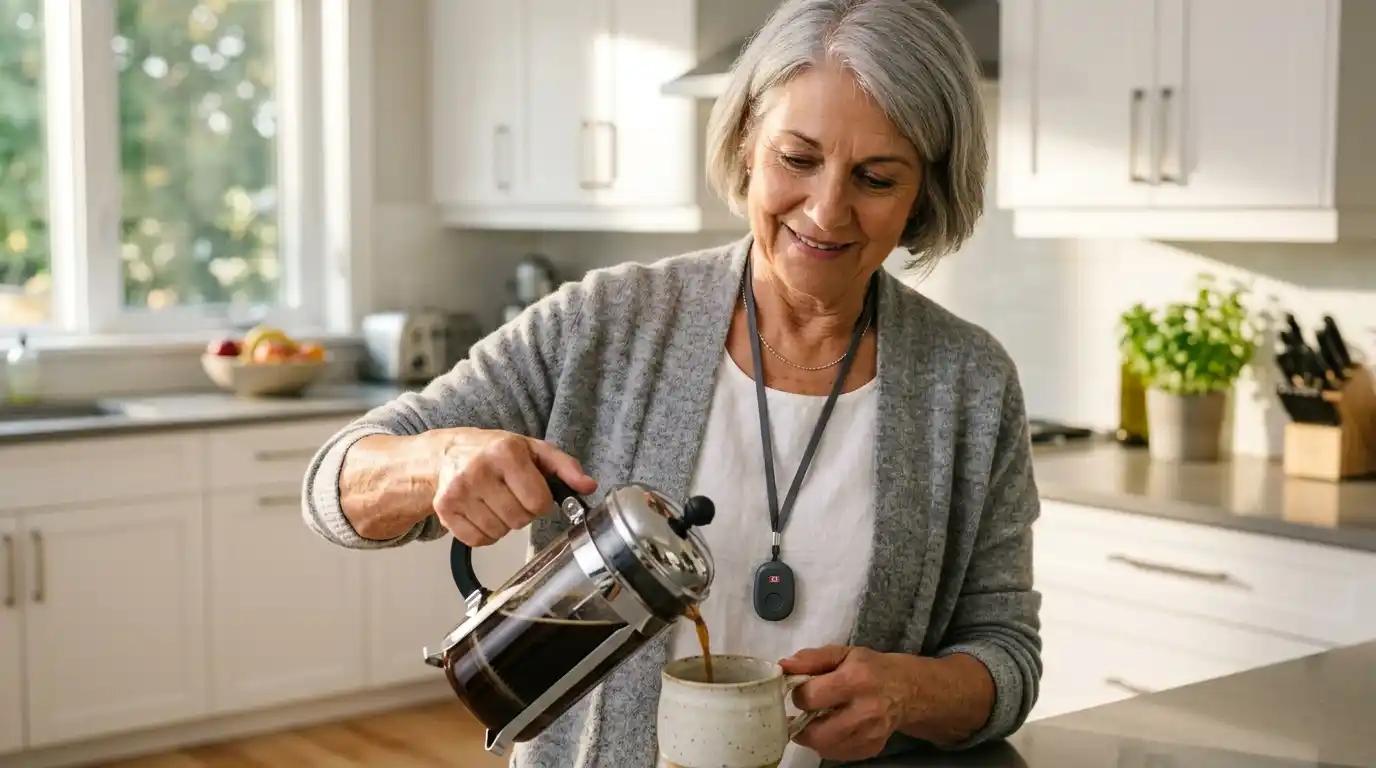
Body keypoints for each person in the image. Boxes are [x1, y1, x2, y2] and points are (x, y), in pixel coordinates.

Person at [302, 1, 1040, 765]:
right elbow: (335, 486)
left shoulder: (971, 385)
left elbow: (1008, 656)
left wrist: (908, 694)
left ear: (925, 191)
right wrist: (440, 460)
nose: (827, 209)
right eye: (797, 158)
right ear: (748, 143)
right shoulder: (607, 322)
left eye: (876, 178)